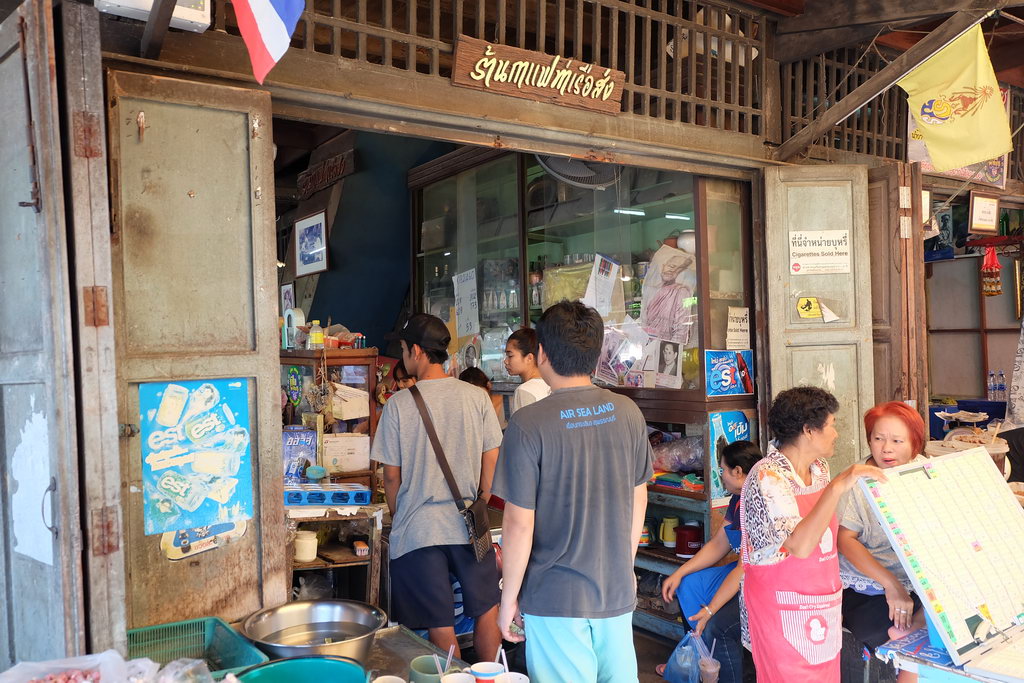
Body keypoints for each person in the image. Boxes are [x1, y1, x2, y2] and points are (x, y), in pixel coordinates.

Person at [493, 301, 653, 683]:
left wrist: (507, 600)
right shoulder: (627, 411)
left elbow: (518, 524)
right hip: (615, 590)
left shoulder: (528, 423)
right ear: (597, 355)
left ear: (542, 353)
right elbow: (638, 498)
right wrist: (623, 566)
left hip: (555, 596)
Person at [370, 313, 503, 661]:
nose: (402, 356)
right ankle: (490, 674)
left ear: (417, 351)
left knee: (440, 622)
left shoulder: (398, 405)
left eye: (402, 348)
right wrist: (482, 498)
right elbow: (492, 455)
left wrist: (402, 514)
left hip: (420, 528)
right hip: (471, 522)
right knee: (487, 608)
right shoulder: (477, 398)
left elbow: (391, 477)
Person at [740, 387, 886, 683]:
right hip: (779, 608)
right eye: (831, 425)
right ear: (809, 430)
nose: (836, 434)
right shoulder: (768, 476)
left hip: (822, 602)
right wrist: (837, 487)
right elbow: (801, 545)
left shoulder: (819, 468)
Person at [654, 440, 761, 682]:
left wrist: (711, 609)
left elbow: (746, 568)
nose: (720, 475)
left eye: (722, 469)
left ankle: (715, 666)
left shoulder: (757, 501)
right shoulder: (737, 499)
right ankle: (696, 657)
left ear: (738, 471)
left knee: (716, 625)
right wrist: (680, 572)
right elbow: (718, 544)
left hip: (757, 577)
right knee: (687, 584)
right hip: (740, 569)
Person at [838, 402, 928, 683]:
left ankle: (915, 627)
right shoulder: (858, 481)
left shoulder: (923, 470)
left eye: (897, 441)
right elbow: (845, 540)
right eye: (878, 439)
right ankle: (912, 635)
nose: (886, 449)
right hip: (870, 588)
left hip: (919, 581)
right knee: (887, 627)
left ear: (914, 443)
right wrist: (891, 584)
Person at [641, 249, 696, 344]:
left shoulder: (682, 292)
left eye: (678, 269)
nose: (673, 270)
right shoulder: (652, 289)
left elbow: (681, 331)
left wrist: (668, 351)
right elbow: (644, 322)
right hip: (648, 346)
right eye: (671, 266)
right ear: (663, 266)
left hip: (667, 349)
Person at [504, 328, 551, 414]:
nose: (505, 361)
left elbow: (522, 427)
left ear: (529, 358)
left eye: (510, 356)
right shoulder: (551, 385)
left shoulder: (524, 391)